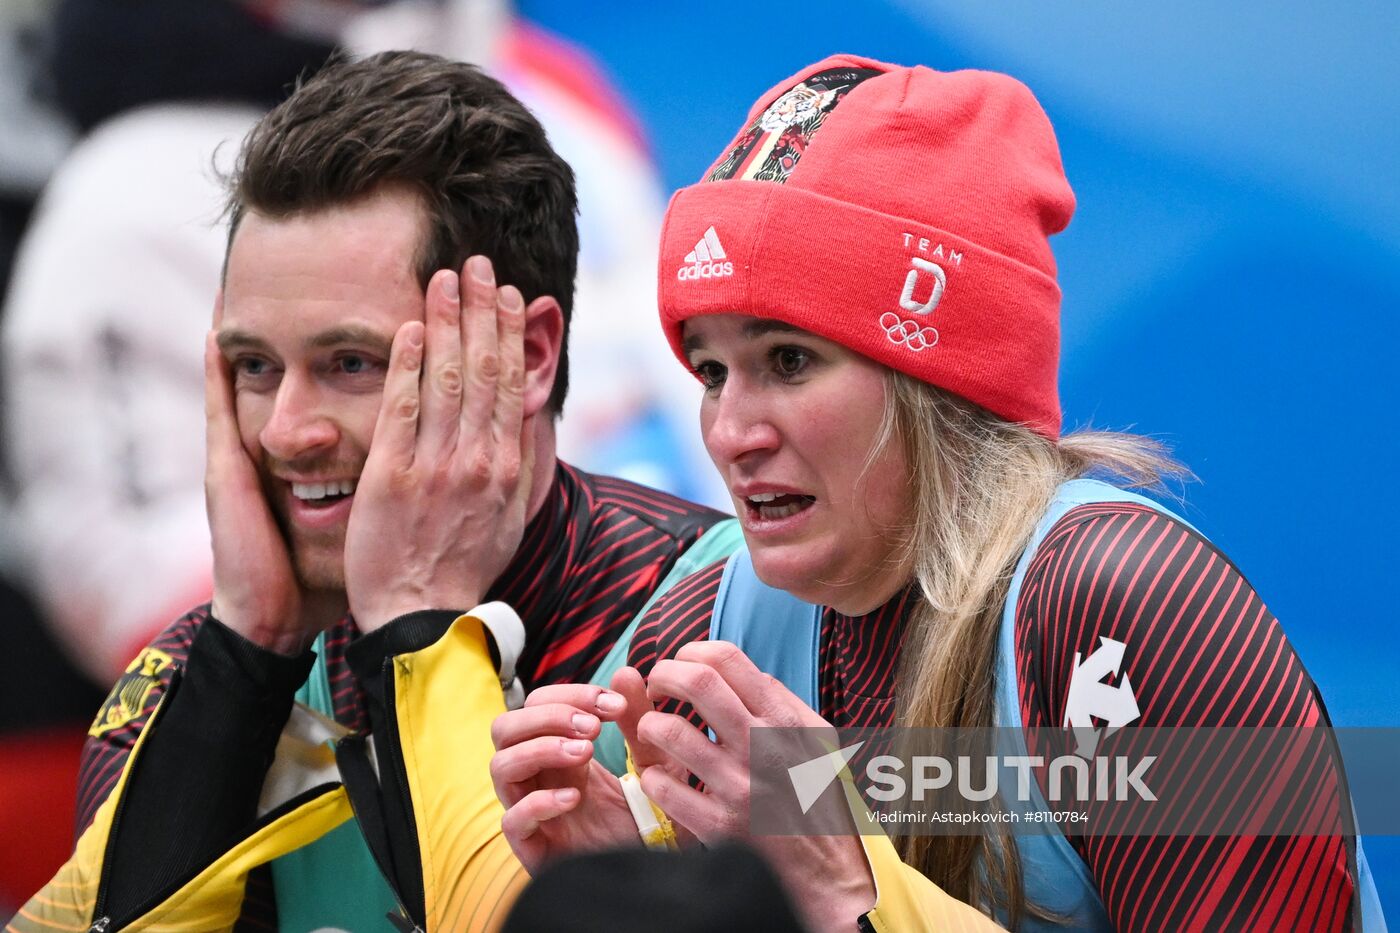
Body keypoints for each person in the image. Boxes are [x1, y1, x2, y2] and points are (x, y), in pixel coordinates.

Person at [489, 54, 1385, 932]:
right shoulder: (701, 634)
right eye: (714, 371)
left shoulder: (1127, 611)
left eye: (789, 361)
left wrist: (850, 901)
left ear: (936, 380)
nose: (731, 432)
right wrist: (617, 894)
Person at [5, 50, 732, 933]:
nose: (285, 430)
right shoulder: (183, 683)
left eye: (351, 363)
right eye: (255, 366)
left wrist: (418, 618)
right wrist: (247, 655)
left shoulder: (738, 621)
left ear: (530, 356)